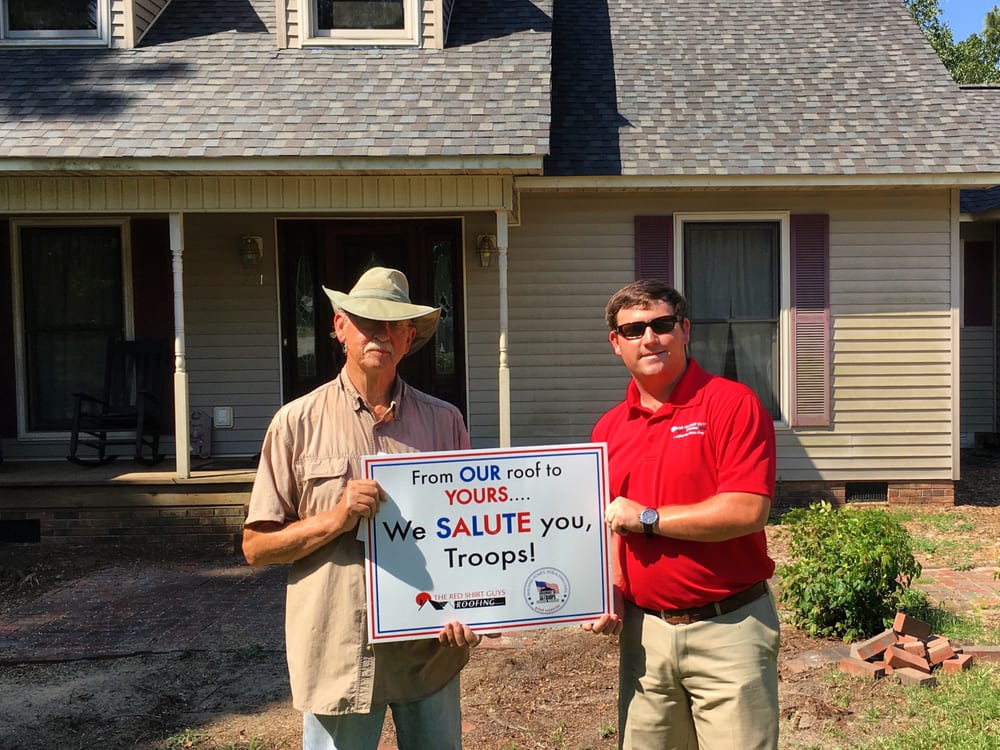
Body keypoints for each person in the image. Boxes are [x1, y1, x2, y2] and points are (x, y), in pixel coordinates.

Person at [242, 266, 480, 750]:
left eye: (393, 323)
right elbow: (256, 547)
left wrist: (474, 607)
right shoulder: (296, 423)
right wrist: (337, 517)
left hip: (427, 649)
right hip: (338, 647)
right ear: (339, 327)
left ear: (409, 336)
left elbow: (471, 533)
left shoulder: (444, 423)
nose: (380, 333)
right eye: (365, 320)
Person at [583, 279, 780, 750]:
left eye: (662, 324)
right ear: (616, 343)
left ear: (685, 329)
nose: (649, 338)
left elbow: (748, 509)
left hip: (728, 629)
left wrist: (647, 519)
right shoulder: (608, 429)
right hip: (645, 636)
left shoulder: (732, 404)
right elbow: (607, 524)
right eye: (633, 330)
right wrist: (606, 588)